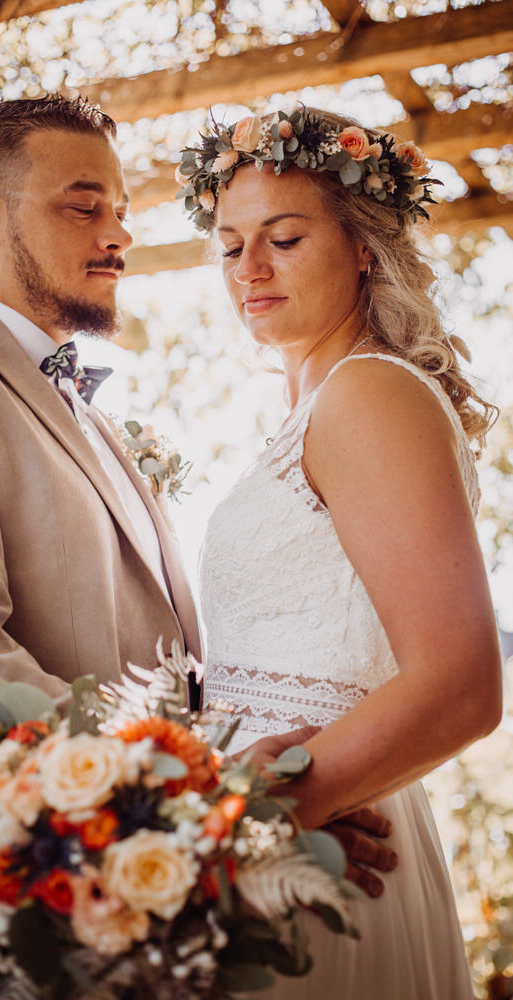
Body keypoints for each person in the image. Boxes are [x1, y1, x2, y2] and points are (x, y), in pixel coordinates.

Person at [0, 95, 394, 986]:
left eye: (122, 212)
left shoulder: (98, 422)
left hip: (131, 927)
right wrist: (203, 806)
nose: (118, 236)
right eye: (82, 206)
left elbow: (165, 674)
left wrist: (252, 801)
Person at [178, 107, 503, 997]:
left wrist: (250, 809)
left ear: (363, 246)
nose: (248, 268)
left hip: (314, 845)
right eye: (229, 244)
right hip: (274, 837)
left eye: (282, 237)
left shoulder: (366, 395)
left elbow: (461, 685)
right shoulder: (317, 408)